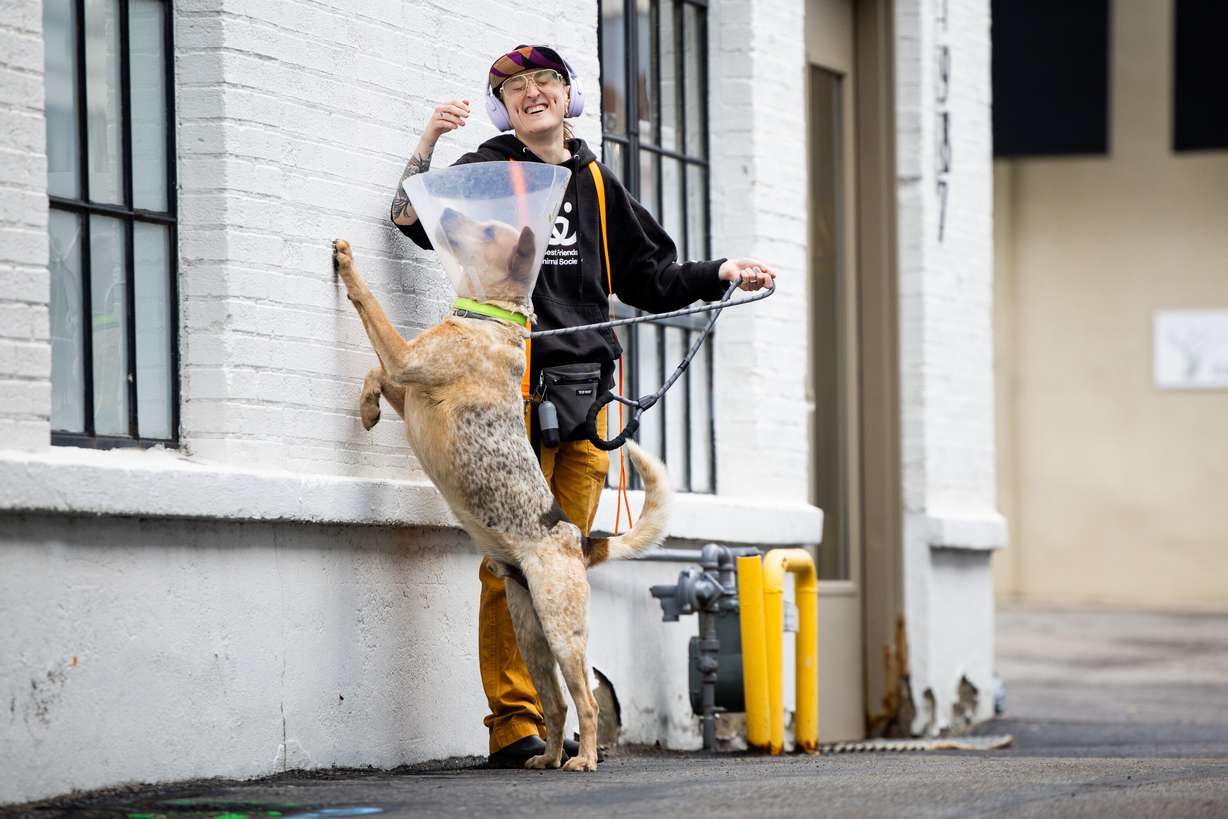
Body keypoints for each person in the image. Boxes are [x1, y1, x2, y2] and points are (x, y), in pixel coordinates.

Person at [389, 44, 776, 767]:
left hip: (589, 400)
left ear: (569, 96)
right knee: (507, 564)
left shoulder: (597, 181)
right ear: (503, 105)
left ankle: (562, 711)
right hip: (509, 395)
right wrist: (428, 142)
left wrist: (722, 272)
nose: (532, 93)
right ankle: (515, 724)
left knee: (559, 561)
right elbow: (409, 218)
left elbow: (651, 275)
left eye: (545, 81)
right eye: (515, 87)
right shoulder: (486, 170)